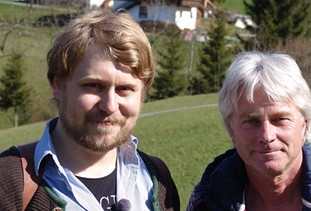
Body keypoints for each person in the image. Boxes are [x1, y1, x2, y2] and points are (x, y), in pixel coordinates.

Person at [0, 9, 180, 211]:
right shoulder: (8, 181)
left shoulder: (158, 181)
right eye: (93, 86)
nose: (110, 105)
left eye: (124, 89)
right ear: (57, 86)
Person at [187, 52, 311, 211]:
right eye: (251, 121)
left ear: (305, 124)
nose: (267, 136)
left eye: (280, 119)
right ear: (231, 130)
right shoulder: (206, 201)